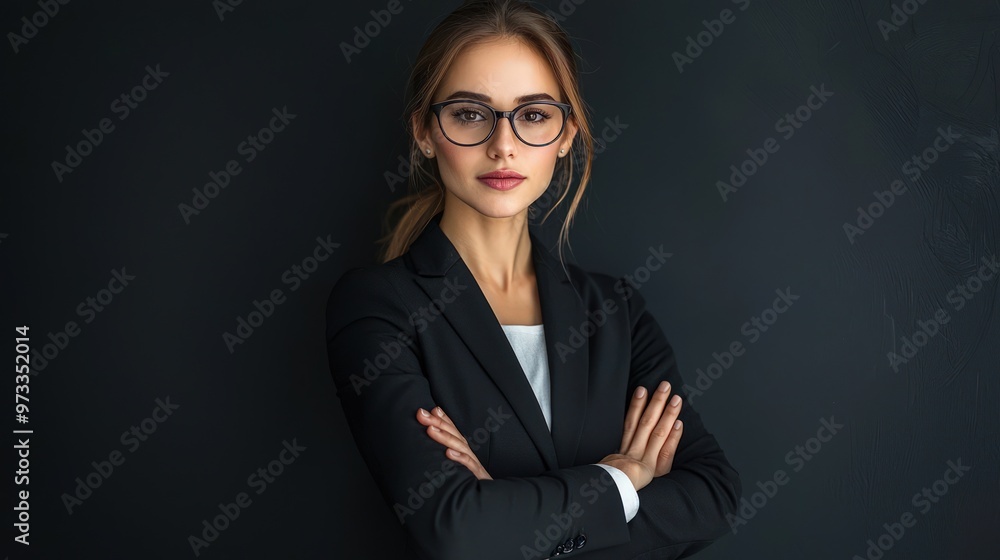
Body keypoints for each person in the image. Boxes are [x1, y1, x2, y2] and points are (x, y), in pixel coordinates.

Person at [324, 1, 741, 558]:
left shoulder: (615, 310)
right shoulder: (377, 307)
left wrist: (505, 512)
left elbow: (712, 497)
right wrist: (620, 479)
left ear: (566, 133)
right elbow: (453, 530)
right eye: (471, 114)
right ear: (425, 131)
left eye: (534, 115)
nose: (503, 145)